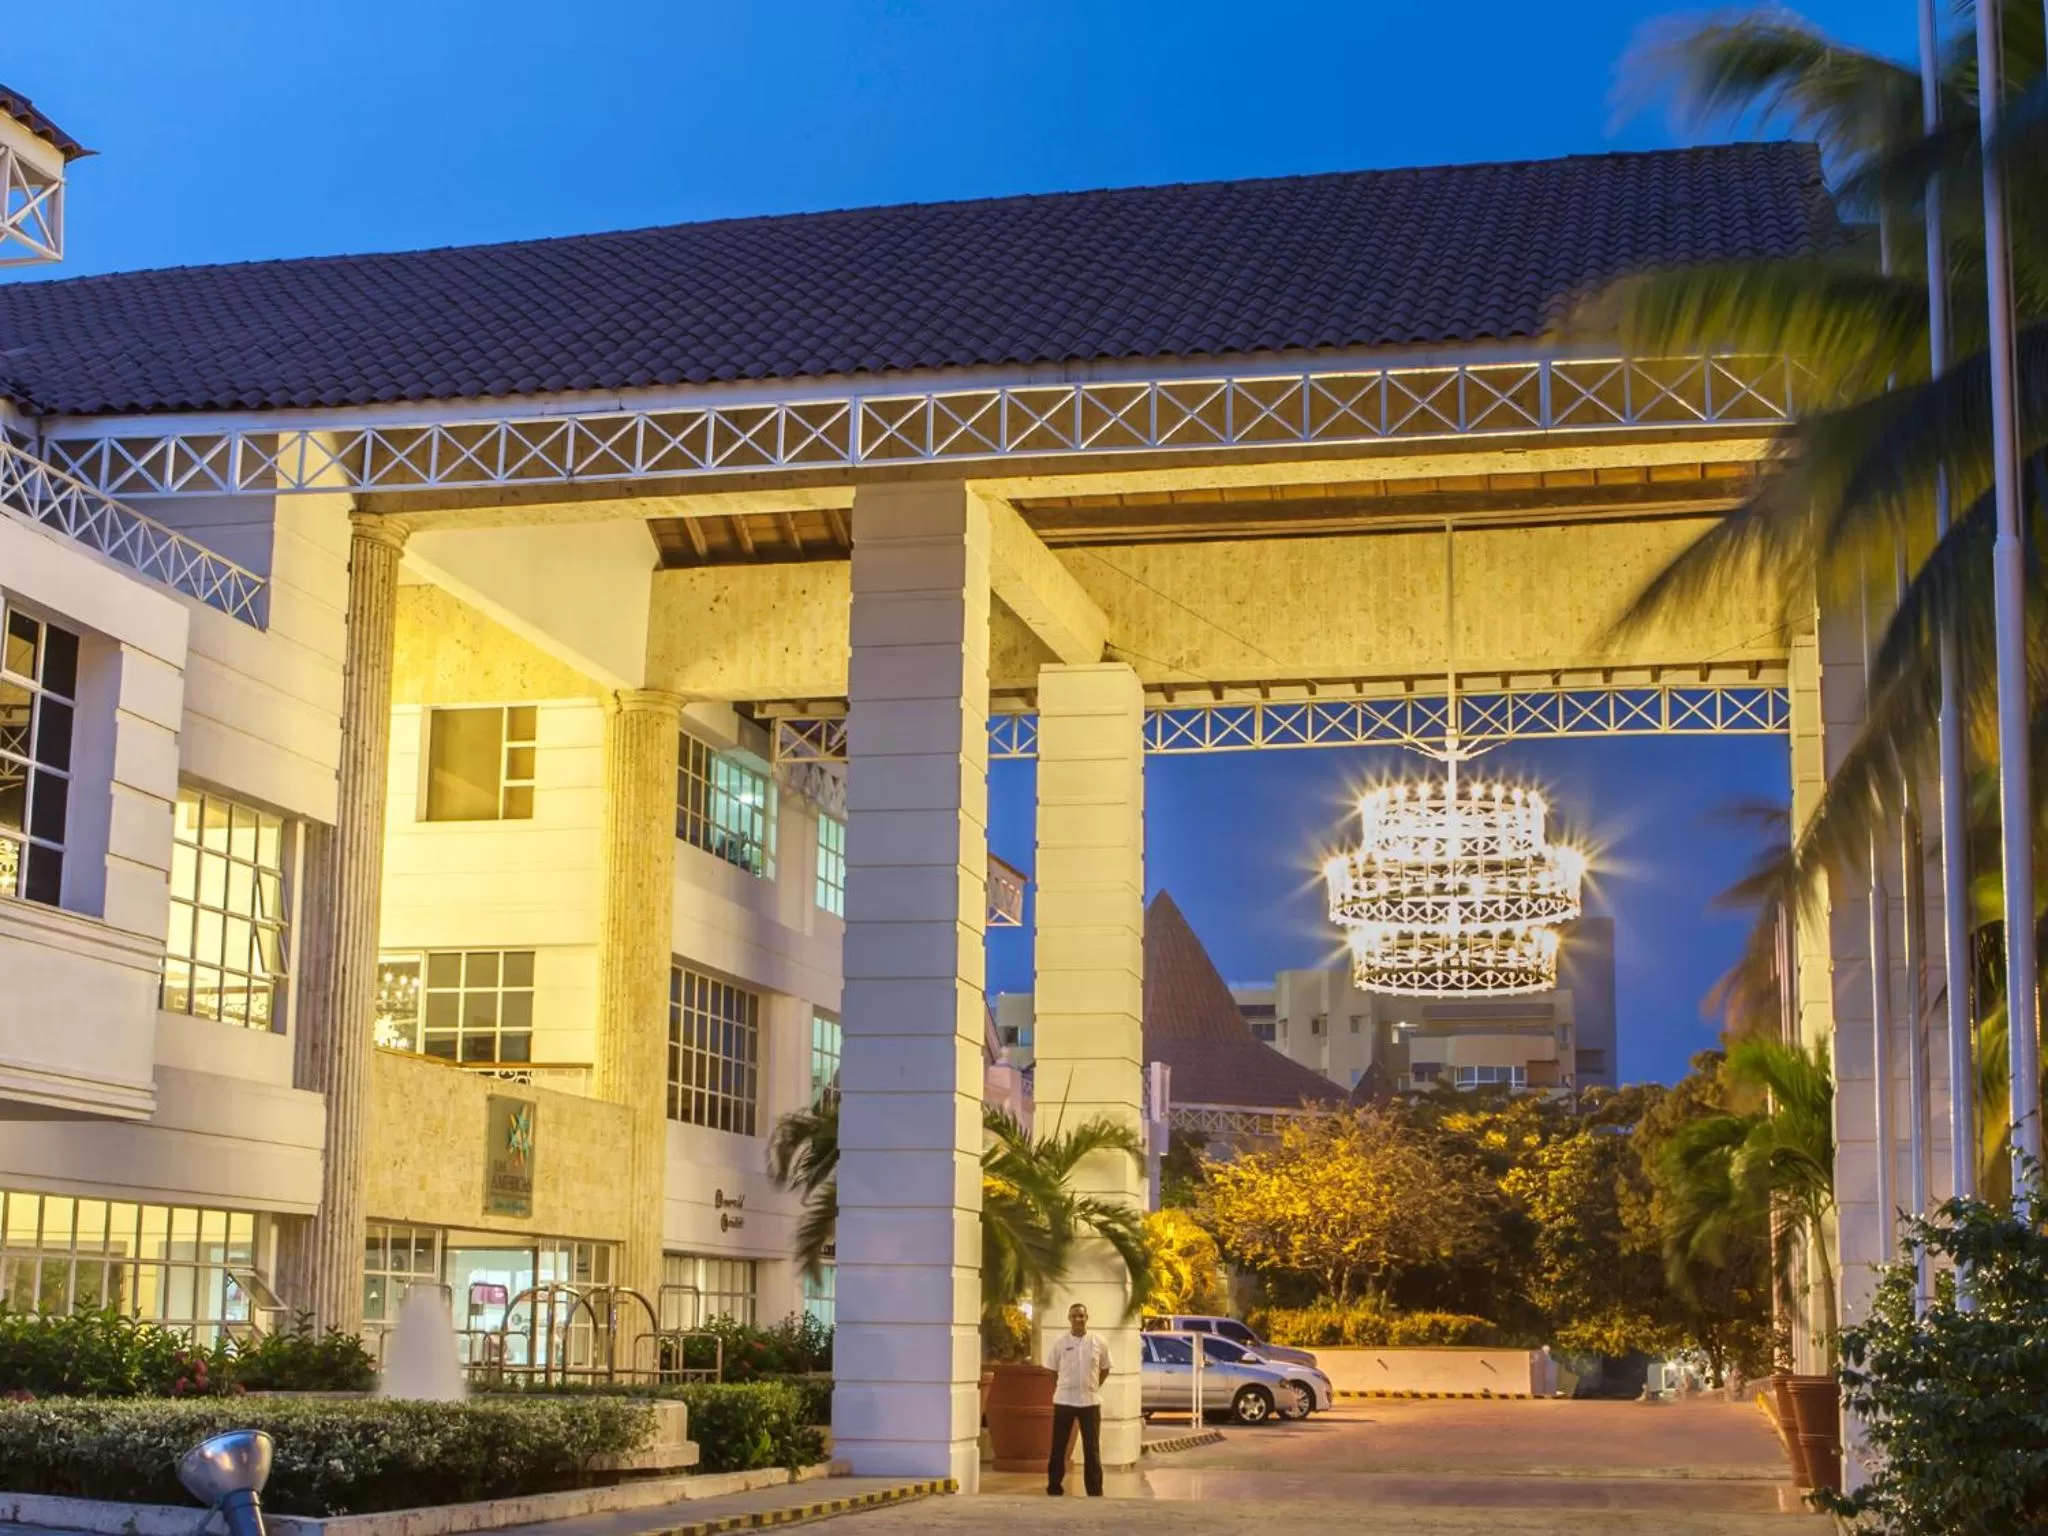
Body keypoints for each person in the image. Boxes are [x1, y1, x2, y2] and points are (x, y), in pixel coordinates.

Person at [1044, 1301, 1111, 1497]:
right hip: (1064, 1401)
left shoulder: (1098, 1342)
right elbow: (1051, 1370)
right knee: (1058, 1447)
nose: (1078, 1319)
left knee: (1092, 1448)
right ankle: (1054, 1487)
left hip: (1089, 1402)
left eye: (1081, 1316)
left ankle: (1095, 1490)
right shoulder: (1060, 1343)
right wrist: (1062, 1387)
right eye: (1074, 1316)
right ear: (1069, 1319)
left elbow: (1105, 1368)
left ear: (1087, 1318)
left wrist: (1094, 1385)